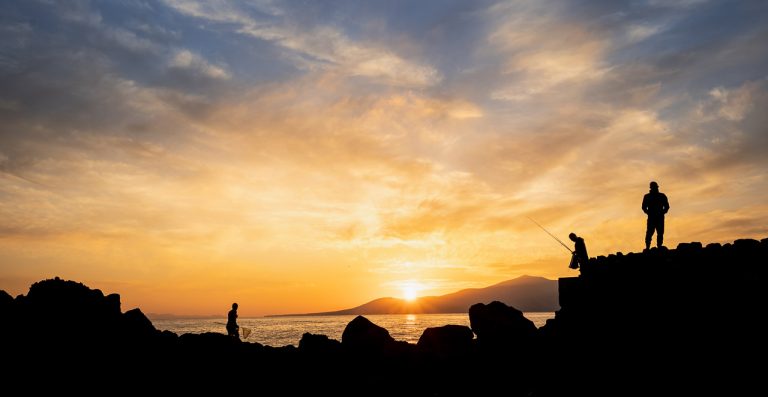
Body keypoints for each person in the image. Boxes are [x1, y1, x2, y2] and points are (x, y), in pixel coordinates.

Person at [642, 181, 670, 250]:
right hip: (652, 217)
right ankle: (648, 247)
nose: (655, 188)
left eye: (656, 187)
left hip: (659, 217)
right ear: (651, 188)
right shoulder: (647, 196)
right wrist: (648, 213)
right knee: (650, 232)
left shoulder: (662, 196)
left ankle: (659, 246)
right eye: (654, 187)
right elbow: (643, 207)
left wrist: (663, 212)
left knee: (660, 232)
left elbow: (667, 206)